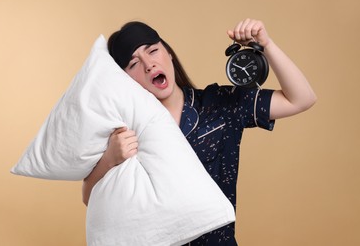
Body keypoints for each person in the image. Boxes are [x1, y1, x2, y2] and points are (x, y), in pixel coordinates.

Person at [82, 18, 317, 245]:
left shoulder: (219, 105)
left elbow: (301, 99)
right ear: (125, 79)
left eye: (152, 51)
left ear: (168, 53)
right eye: (133, 64)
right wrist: (109, 158)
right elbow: (90, 198)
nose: (148, 64)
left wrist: (266, 45)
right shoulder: (124, 132)